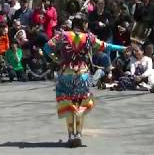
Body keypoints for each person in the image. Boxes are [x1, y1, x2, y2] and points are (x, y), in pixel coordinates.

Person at [43, 13, 127, 147]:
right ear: (84, 24)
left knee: (68, 104)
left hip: (66, 73)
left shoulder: (62, 35)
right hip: (82, 74)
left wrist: (57, 59)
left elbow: (47, 48)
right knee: (81, 104)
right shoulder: (89, 37)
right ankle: (78, 135)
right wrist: (122, 48)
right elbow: (106, 46)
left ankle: (71, 135)